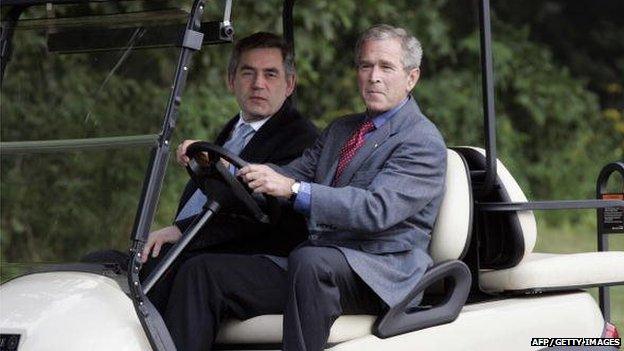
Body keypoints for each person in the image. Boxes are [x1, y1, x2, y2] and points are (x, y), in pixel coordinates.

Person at [165, 24, 447, 351]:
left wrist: (296, 190)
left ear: (411, 77)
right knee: (201, 272)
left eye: (386, 67)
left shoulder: (421, 140)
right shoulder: (342, 130)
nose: (373, 77)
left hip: (379, 272)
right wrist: (228, 167)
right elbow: (288, 173)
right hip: (319, 264)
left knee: (310, 260)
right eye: (365, 66)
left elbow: (376, 210)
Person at [84, 32, 318, 312]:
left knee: (164, 271)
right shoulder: (234, 129)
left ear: (289, 84)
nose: (258, 84)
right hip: (199, 246)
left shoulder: (300, 139)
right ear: (231, 81)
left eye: (270, 74)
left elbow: (259, 215)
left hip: (248, 254)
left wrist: (182, 231)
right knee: (95, 265)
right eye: (248, 73)